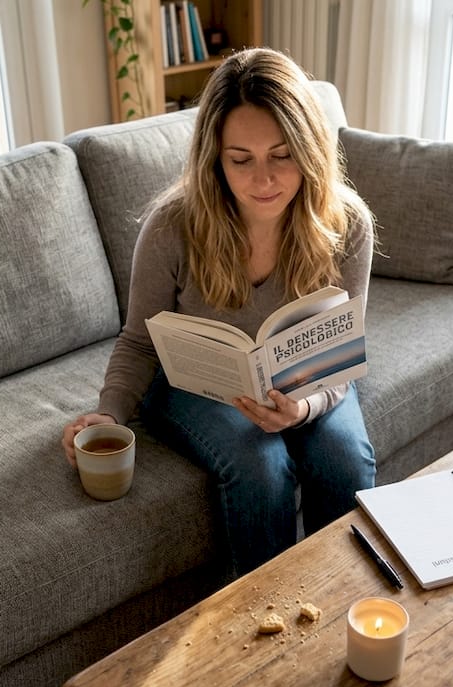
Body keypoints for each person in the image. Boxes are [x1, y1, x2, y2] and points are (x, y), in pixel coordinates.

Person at [62, 47, 376, 577]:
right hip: (194, 383)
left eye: (282, 155)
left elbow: (341, 356)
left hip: (307, 380)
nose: (263, 179)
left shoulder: (347, 225)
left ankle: (342, 594)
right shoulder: (172, 227)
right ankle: (264, 621)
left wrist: (303, 409)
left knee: (343, 459)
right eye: (240, 159)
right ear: (215, 158)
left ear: (310, 149)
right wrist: (110, 413)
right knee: (261, 464)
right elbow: (139, 341)